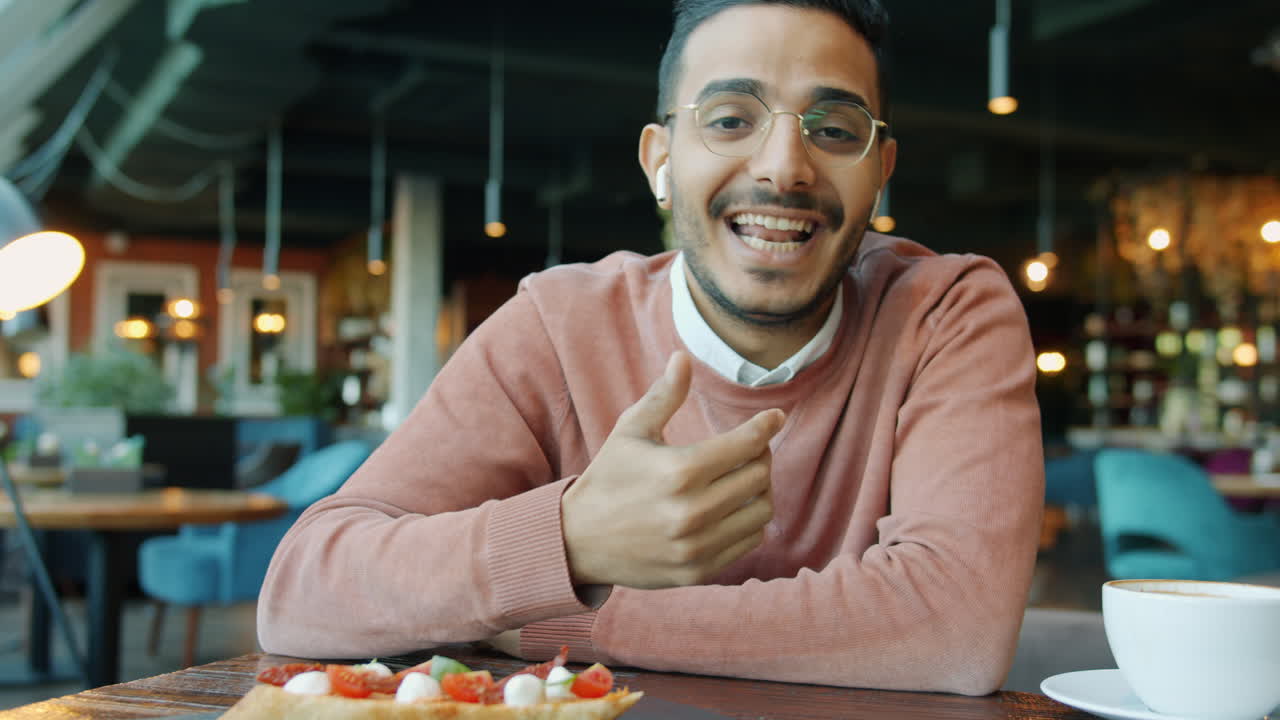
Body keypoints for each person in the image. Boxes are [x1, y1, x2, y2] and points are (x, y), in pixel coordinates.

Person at [258, 0, 1044, 696]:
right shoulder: (558, 324)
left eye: (834, 130)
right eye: (730, 119)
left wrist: (568, 618)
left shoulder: (948, 311)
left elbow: (956, 631)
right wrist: (570, 538)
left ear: (879, 171)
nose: (783, 167)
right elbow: (304, 589)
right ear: (660, 163)